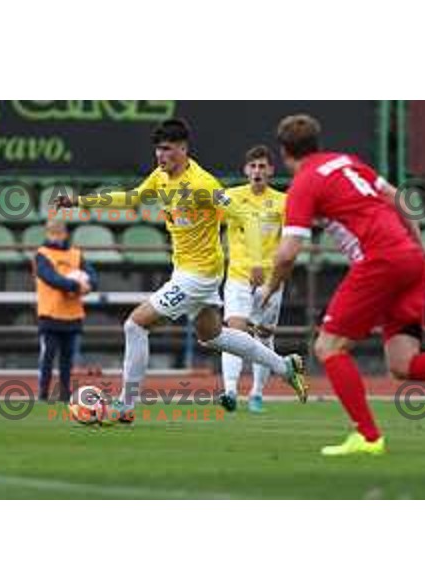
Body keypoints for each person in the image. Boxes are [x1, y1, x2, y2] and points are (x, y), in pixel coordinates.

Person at [262, 113, 425, 456]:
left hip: (380, 261)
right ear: (317, 143)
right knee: (403, 363)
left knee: (328, 347)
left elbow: (287, 253)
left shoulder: (304, 183)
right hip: (410, 260)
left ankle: (367, 436)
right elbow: (398, 198)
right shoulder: (346, 161)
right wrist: (421, 246)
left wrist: (270, 287)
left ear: (284, 153)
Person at [55, 118, 307, 421]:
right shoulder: (161, 177)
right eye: (158, 150)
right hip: (189, 271)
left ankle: (126, 404)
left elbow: (245, 216)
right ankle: (284, 366)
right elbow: (132, 197)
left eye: (167, 149)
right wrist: (80, 201)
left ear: (183, 149)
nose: (161, 156)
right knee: (212, 336)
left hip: (198, 276)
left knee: (135, 325)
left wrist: (255, 261)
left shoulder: (203, 185)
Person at [221, 145, 287, 413]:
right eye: (253, 166)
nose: (257, 171)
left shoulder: (283, 201)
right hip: (238, 276)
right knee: (234, 332)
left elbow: (291, 239)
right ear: (245, 170)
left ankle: (257, 393)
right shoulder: (231, 197)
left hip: (270, 282)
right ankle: (229, 391)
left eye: (262, 166)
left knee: (263, 335)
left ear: (271, 170)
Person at [35, 221, 98, 403]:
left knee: (67, 358)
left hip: (72, 314)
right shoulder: (42, 254)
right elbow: (50, 278)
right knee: (48, 355)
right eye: (53, 233)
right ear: (47, 234)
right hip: (50, 313)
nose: (56, 236)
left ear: (65, 234)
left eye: (59, 232)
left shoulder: (76, 254)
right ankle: (43, 393)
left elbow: (92, 276)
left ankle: (64, 393)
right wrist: (76, 285)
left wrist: (90, 285)